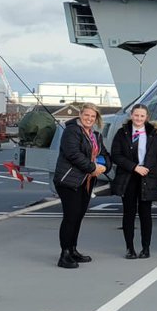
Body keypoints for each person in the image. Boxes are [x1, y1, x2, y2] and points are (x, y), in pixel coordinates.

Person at [53, 103, 110, 269]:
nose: (89, 119)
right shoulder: (71, 131)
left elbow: (104, 154)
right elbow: (73, 154)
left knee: (78, 216)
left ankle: (73, 250)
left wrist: (104, 166)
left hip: (86, 181)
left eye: (93, 117)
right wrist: (93, 168)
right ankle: (64, 255)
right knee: (70, 217)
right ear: (80, 115)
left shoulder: (95, 135)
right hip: (69, 180)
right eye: (87, 115)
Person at [109, 104, 157, 260]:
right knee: (129, 213)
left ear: (147, 117)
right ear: (131, 115)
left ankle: (146, 248)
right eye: (136, 115)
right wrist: (134, 167)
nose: (139, 119)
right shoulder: (122, 133)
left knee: (145, 214)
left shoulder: (154, 134)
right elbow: (116, 155)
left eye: (142, 116)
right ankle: (130, 248)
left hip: (147, 178)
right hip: (128, 177)